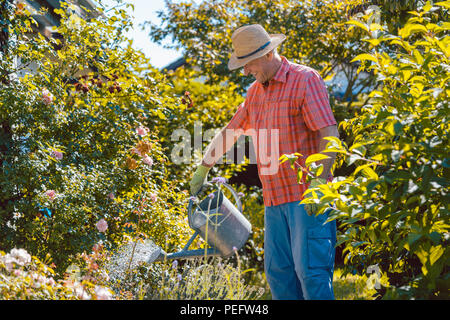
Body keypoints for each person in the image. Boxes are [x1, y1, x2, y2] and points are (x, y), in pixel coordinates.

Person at [189, 24, 339, 300]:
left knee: (312, 274)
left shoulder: (305, 80)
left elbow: (328, 132)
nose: (245, 71)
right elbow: (230, 132)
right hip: (274, 201)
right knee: (278, 275)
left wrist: (319, 182)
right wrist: (204, 166)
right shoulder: (255, 94)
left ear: (268, 54)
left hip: (307, 197)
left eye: (248, 64)